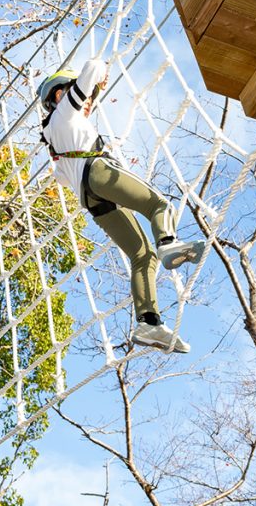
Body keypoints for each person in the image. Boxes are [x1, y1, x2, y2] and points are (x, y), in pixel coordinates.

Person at [37, 58, 203, 354]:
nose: (87, 102)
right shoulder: (65, 113)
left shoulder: (54, 139)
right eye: (83, 96)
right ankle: (168, 242)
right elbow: (91, 67)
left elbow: (62, 178)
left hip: (90, 199)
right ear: (59, 95)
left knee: (142, 255)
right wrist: (101, 72)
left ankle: (148, 322)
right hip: (97, 171)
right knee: (159, 206)